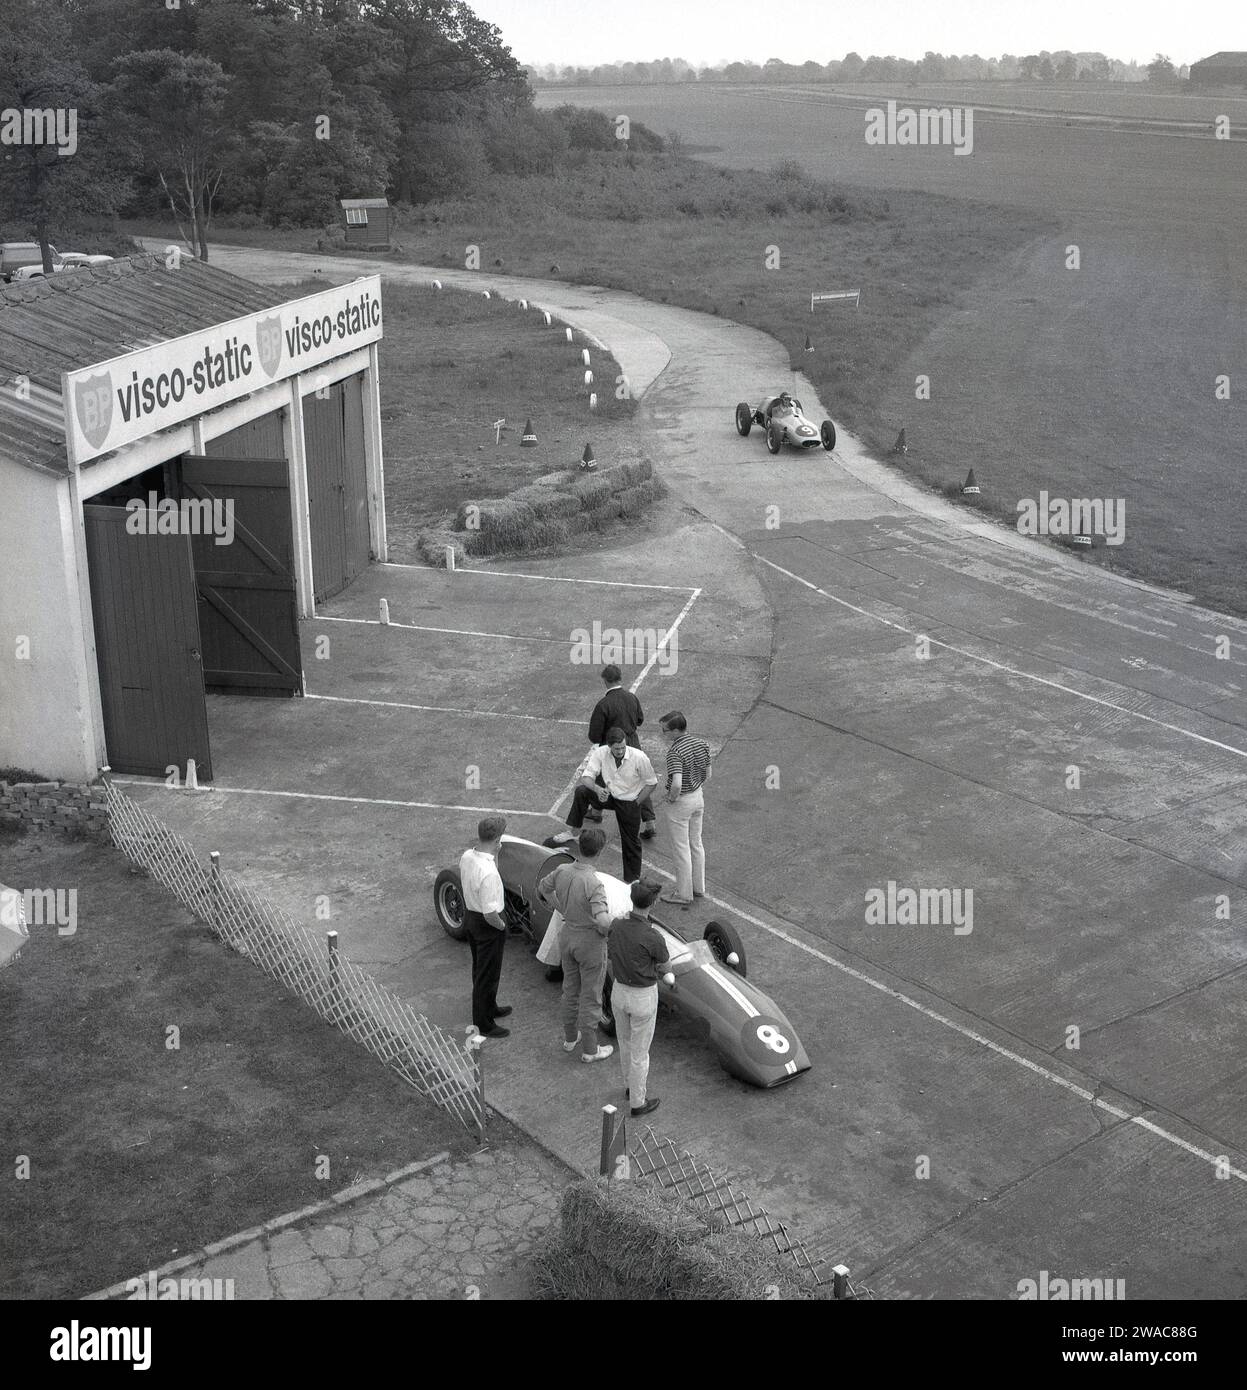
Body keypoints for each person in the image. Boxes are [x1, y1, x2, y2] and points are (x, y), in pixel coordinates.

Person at [538, 827, 615, 1063]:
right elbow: (602, 920)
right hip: (589, 943)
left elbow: (543, 888)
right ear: (599, 852)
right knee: (591, 995)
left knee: (570, 990)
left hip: (568, 934)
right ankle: (591, 1049)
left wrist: (560, 907)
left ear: (578, 847)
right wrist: (612, 929)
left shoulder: (562, 870)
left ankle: (571, 1038)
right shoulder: (594, 883)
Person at [607, 878, 670, 1118]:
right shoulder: (652, 936)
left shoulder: (616, 925)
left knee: (624, 1043)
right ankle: (637, 1102)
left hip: (619, 991)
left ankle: (628, 1086)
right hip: (642, 996)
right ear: (651, 904)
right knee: (640, 1053)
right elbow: (666, 966)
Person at [565, 727, 658, 882]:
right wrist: (597, 789)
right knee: (582, 791)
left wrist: (637, 802)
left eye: (622, 747)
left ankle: (632, 881)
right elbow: (586, 777)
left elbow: (652, 783)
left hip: (629, 801)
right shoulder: (600, 753)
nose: (620, 751)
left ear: (625, 743)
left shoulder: (639, 757)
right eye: (616, 749)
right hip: (609, 795)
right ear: (609, 746)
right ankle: (574, 831)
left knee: (631, 843)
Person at [459, 815, 512, 1039]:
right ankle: (484, 1023)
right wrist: (502, 927)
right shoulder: (488, 873)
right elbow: (491, 913)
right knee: (487, 974)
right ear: (498, 838)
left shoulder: (468, 856)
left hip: (472, 917)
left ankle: (490, 1006)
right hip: (488, 923)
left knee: (481, 969)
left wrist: (496, 853)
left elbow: (491, 869)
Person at [587, 665, 656, 838]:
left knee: (602, 777)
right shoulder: (632, 698)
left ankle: (596, 812)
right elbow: (639, 720)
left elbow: (594, 735)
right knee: (640, 781)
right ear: (620, 678)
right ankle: (649, 823)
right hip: (632, 741)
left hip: (612, 745)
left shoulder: (604, 704)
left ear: (605, 680)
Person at [658, 711, 711, 906]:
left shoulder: (675, 752)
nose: (664, 734)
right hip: (698, 797)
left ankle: (684, 893)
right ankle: (699, 888)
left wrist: (672, 798)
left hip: (681, 802)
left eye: (665, 731)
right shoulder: (701, 744)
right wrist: (696, 785)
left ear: (675, 731)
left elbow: (677, 784)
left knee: (681, 849)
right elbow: (708, 773)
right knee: (696, 843)